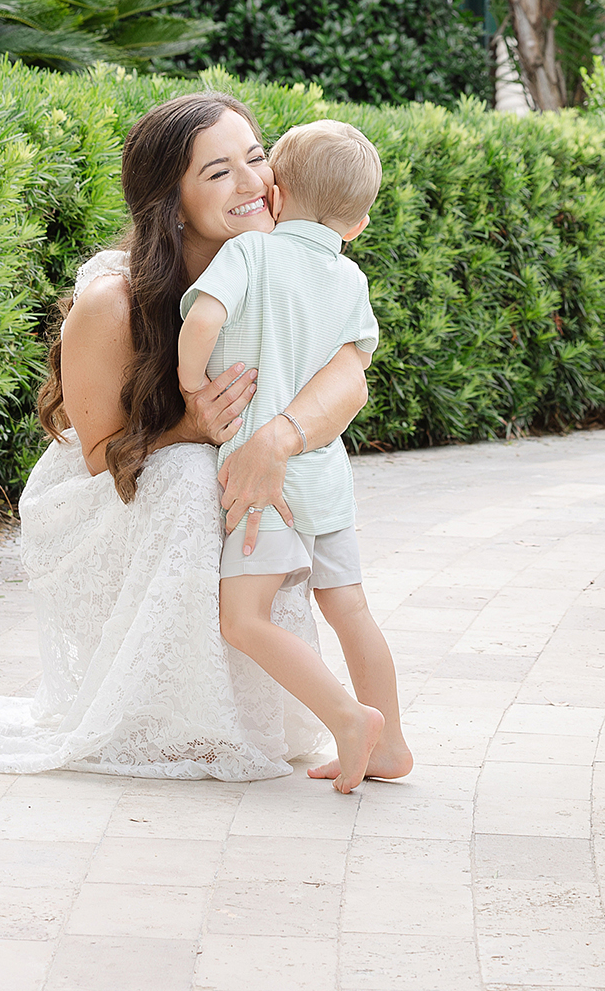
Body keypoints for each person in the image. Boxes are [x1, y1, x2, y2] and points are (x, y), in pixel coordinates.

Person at [0, 92, 370, 779]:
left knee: (261, 486)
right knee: (197, 479)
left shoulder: (286, 266)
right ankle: (175, 718)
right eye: (219, 172)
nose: (253, 182)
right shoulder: (113, 299)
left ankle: (258, 711)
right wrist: (195, 425)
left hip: (218, 463)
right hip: (104, 485)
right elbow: (100, 450)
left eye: (256, 158)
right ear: (172, 202)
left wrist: (275, 442)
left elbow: (351, 374)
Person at [178, 119, 411, 793]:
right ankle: (391, 739)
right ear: (359, 222)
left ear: (275, 193)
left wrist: (193, 385)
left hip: (263, 483)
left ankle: (347, 716)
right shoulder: (352, 278)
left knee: (242, 619)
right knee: (350, 608)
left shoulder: (252, 255)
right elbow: (351, 367)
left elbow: (203, 319)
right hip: (325, 473)